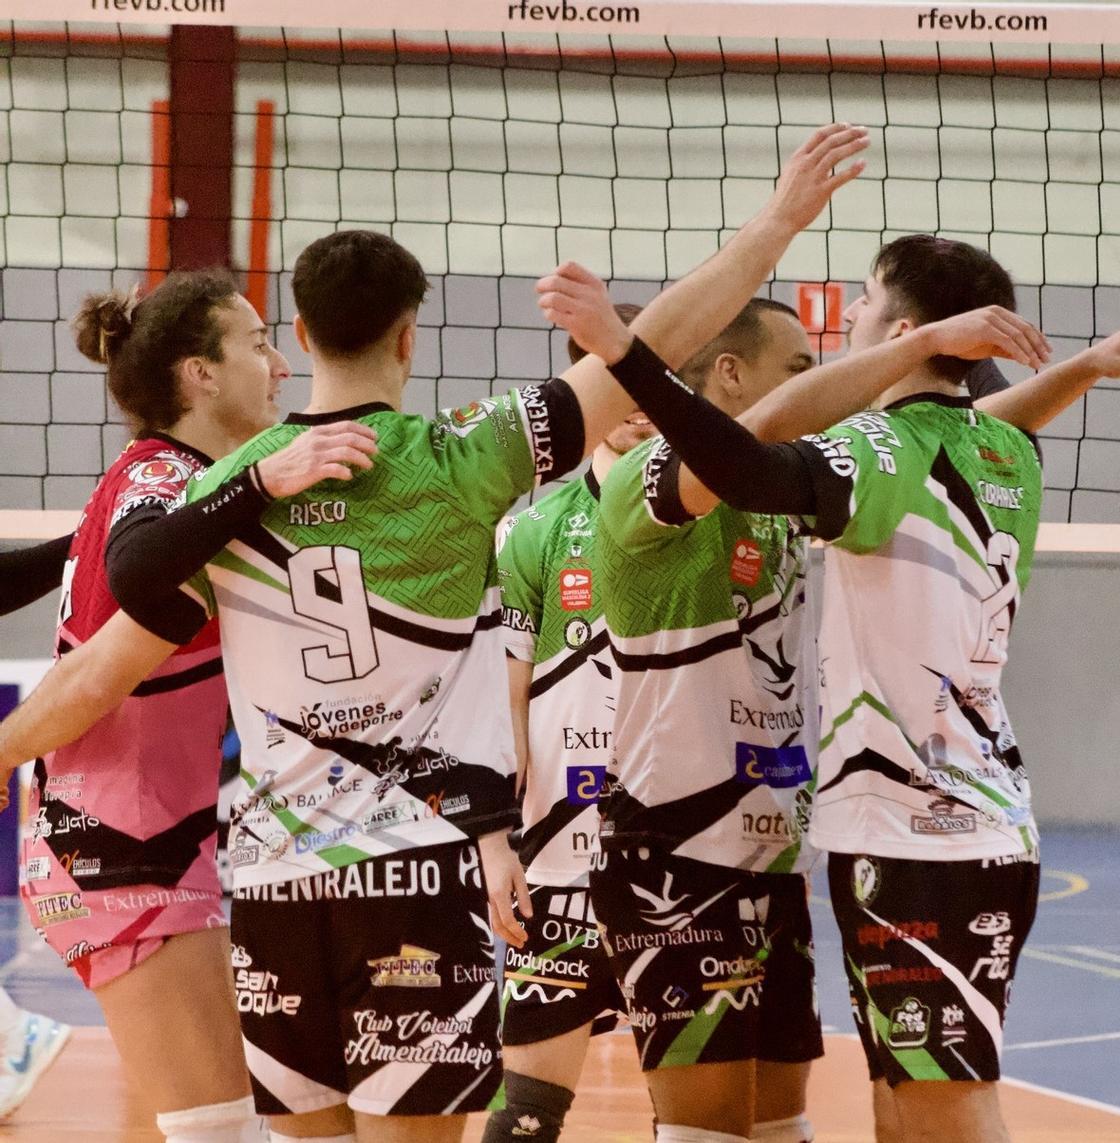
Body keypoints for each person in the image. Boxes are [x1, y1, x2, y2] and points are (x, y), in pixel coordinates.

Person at [0, 125, 876, 1143]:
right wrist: (774, 225)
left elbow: (119, 608)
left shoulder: (220, 498)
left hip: (276, 878)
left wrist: (248, 485)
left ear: (301, 328)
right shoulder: (471, 456)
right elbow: (667, 346)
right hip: (417, 869)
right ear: (411, 335)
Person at [537, 234, 1120, 1143]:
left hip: (908, 831)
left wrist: (624, 352)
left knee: (934, 1106)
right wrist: (1078, 365)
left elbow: (759, 457)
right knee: (897, 1105)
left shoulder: (877, 450)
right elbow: (943, 432)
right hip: (892, 825)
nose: (844, 325)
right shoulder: (1001, 450)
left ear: (909, 329)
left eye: (859, 308)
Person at [3, 268, 377, 1142]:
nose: (281, 365)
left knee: (254, 1126)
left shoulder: (169, 489)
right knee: (220, 1132)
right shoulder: (169, 486)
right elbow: (87, 680)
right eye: (256, 343)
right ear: (199, 375)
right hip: (118, 852)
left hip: (153, 846)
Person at [482, 305, 649, 1143]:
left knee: (699, 1106)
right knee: (526, 1112)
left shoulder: (717, 511)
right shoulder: (536, 528)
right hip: (563, 859)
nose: (646, 398)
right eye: (625, 381)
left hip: (683, 861)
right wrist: (501, 840)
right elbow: (503, 699)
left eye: (662, 376)